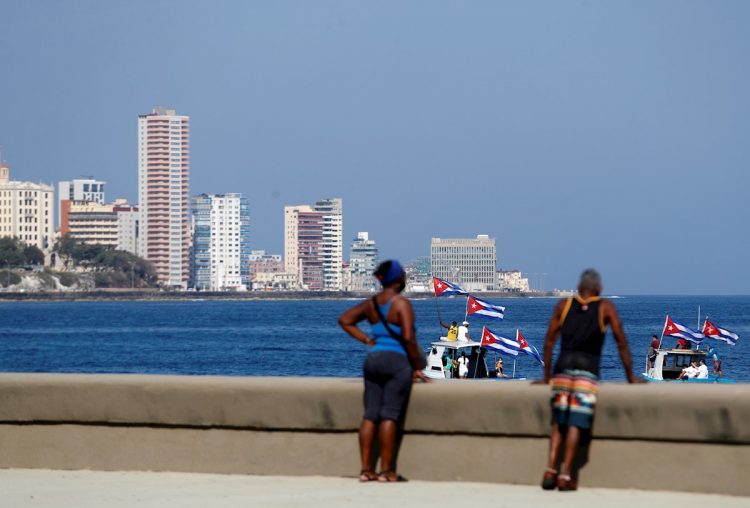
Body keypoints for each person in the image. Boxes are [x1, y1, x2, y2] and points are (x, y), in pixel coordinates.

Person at [538, 269, 640, 492]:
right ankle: (566, 474)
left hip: (563, 367)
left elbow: (548, 342)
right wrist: (630, 377)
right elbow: (621, 342)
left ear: (578, 287)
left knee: (558, 421)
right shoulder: (605, 307)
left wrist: (546, 378)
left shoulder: (564, 306)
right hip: (587, 370)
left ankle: (550, 470)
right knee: (575, 420)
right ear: (599, 289)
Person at [338, 260, 429, 483]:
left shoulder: (372, 304)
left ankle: (365, 469)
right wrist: (417, 367)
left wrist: (368, 340)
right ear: (398, 281)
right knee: (389, 415)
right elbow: (408, 337)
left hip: (373, 360)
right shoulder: (401, 305)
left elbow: (345, 320)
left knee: (370, 415)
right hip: (396, 361)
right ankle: (387, 471)